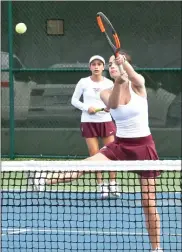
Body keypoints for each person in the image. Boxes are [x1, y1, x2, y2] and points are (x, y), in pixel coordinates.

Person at [34, 52, 162, 252]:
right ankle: (43, 178)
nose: (111, 66)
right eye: (109, 65)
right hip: (120, 146)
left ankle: (156, 249)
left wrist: (125, 65)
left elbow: (135, 77)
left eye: (113, 63)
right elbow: (114, 104)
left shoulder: (139, 85)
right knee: (84, 166)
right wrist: (119, 82)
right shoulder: (106, 91)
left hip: (144, 147)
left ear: (124, 64)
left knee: (148, 202)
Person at [71, 55, 120, 198]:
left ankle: (113, 183)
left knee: (112, 154)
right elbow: (74, 100)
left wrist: (110, 107)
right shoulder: (83, 82)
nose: (96, 66)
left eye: (99, 64)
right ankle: (101, 185)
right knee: (94, 154)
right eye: (94, 64)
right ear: (90, 67)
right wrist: (87, 108)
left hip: (106, 121)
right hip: (88, 122)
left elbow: (114, 101)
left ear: (103, 67)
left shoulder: (110, 83)